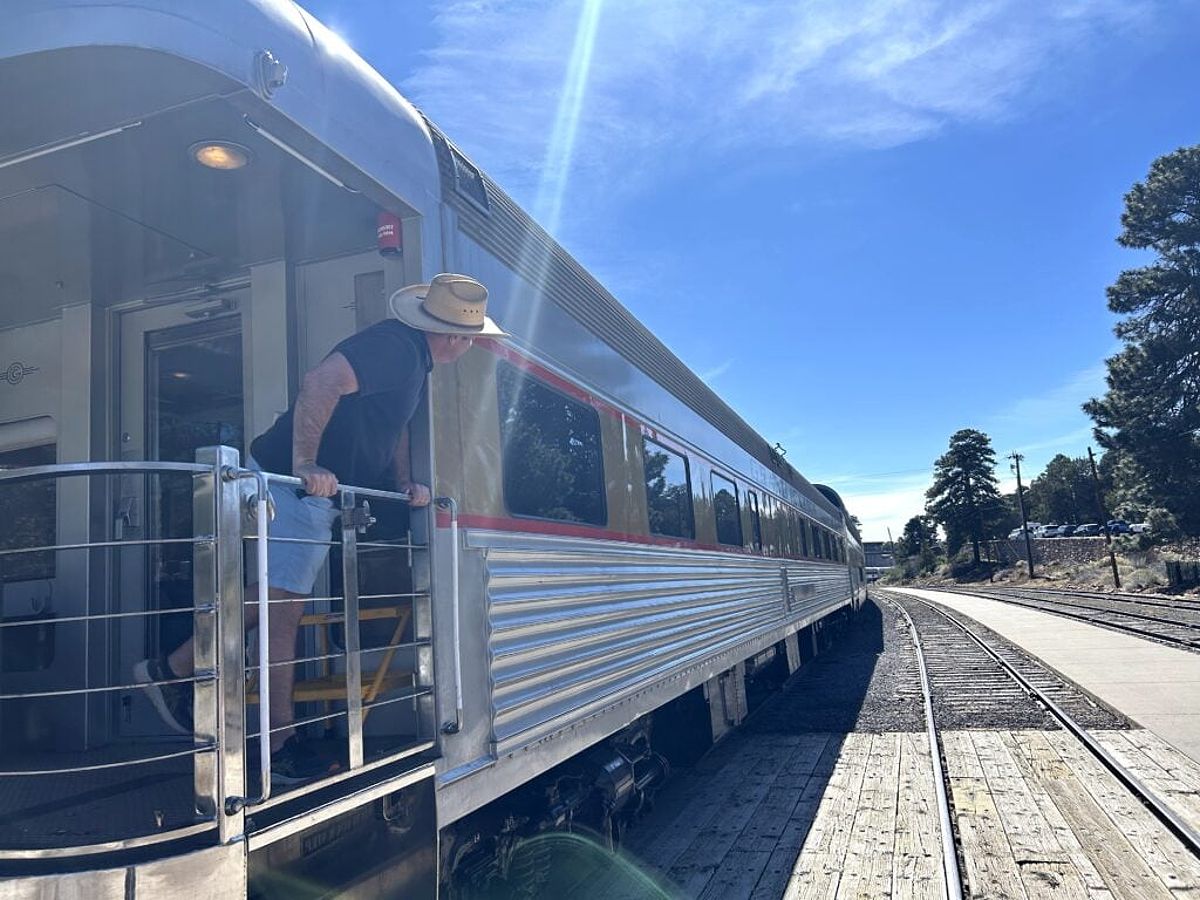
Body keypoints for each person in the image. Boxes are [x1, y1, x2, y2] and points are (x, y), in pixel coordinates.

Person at [135, 273, 506, 784]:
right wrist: (306, 462)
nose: (469, 346)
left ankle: (193, 685)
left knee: (275, 601)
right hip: (293, 487)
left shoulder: (411, 362)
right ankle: (255, 728)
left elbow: (390, 428)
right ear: (456, 338)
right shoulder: (395, 348)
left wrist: (405, 481)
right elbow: (320, 382)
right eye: (471, 338)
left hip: (303, 491)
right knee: (281, 608)